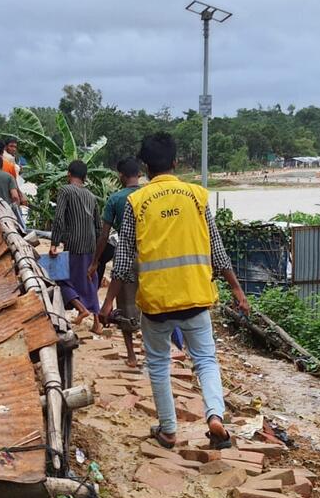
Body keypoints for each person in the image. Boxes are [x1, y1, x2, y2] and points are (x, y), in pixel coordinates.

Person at [100, 132, 249, 450]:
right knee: (206, 360)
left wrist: (108, 302)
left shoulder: (135, 202)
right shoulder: (198, 196)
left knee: (157, 363)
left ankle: (168, 430)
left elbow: (124, 262)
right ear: (176, 162)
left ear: (145, 167)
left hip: (156, 303)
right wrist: (238, 290)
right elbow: (217, 251)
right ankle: (215, 418)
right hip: (195, 296)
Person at [90, 156, 144, 366]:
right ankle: (155, 351)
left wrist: (96, 261)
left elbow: (104, 235)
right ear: (139, 174)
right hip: (152, 254)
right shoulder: (148, 195)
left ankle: (131, 355)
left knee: (126, 305)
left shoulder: (116, 199)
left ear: (121, 176)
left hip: (127, 254)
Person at [50, 159, 101, 330]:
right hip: (91, 244)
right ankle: (97, 323)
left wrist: (54, 243)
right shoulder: (91, 196)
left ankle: (81, 309)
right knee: (90, 280)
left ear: (69, 174)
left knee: (62, 278)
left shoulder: (65, 190)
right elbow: (98, 226)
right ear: (84, 177)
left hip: (74, 243)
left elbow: (59, 218)